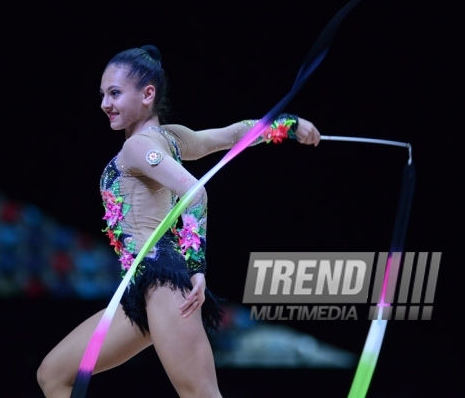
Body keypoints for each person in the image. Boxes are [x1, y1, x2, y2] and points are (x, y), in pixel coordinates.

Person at [37, 45, 321, 398]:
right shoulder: (170, 139)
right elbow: (234, 135)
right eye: (102, 95)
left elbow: (194, 193)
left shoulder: (139, 146)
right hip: (143, 290)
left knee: (201, 394)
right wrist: (289, 125)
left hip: (163, 285)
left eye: (114, 93)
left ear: (147, 94)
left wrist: (197, 266)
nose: (104, 104)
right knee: (54, 374)